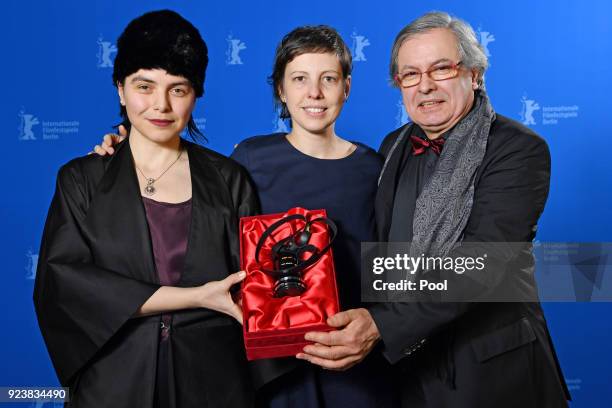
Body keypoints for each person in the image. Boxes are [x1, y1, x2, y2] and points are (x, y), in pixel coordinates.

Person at [94, 25, 398, 408]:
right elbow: (186, 184)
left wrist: (379, 326)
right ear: (281, 91)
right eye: (299, 79)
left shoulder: (376, 168)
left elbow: (393, 266)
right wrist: (128, 154)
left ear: (347, 87)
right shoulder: (249, 160)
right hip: (277, 362)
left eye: (329, 79)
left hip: (353, 358)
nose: (314, 93)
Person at [298, 12, 571, 408]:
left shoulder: (518, 149)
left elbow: (482, 263)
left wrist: (381, 326)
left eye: (441, 69)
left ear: (474, 74)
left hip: (492, 373)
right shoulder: (393, 147)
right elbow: (382, 254)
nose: (424, 86)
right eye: (410, 75)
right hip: (410, 372)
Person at [34, 10, 257, 408]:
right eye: (144, 85)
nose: (160, 105)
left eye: (178, 89)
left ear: (196, 94)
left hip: (212, 382)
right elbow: (64, 283)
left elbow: (257, 286)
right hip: (115, 381)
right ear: (120, 89)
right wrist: (197, 296)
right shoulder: (82, 179)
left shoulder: (229, 179)